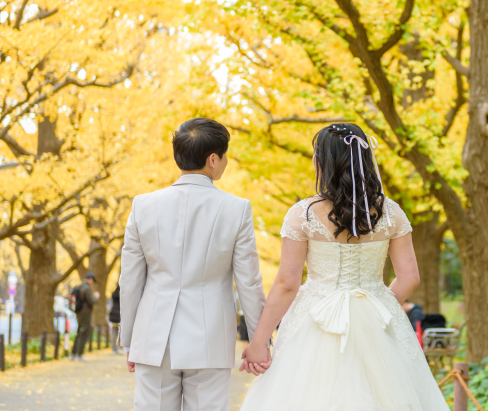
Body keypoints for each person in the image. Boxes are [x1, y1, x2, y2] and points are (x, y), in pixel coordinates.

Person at [239, 123, 447, 410]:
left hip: (315, 320)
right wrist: (377, 306)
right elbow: (409, 277)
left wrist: (259, 342)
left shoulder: (302, 214)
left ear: (322, 162)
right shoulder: (391, 213)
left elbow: (287, 284)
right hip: (378, 320)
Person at [119, 118, 267, 411]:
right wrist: (258, 340)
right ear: (213, 160)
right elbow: (248, 282)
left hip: (153, 337)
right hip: (210, 338)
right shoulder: (236, 209)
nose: (225, 162)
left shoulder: (143, 205)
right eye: (224, 156)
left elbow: (130, 280)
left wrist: (130, 341)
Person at [71, 272, 100, 362]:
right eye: (93, 281)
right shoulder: (87, 288)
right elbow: (91, 301)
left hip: (78, 312)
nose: (93, 283)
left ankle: (73, 354)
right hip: (85, 313)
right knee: (84, 332)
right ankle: (79, 355)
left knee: (79, 332)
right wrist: (96, 297)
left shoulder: (80, 286)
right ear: (90, 279)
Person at [109, 285, 121, 354]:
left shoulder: (113, 294)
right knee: (120, 332)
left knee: (114, 332)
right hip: (120, 315)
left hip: (113, 315)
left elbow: (110, 305)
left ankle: (113, 348)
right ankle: (120, 347)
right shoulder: (123, 294)